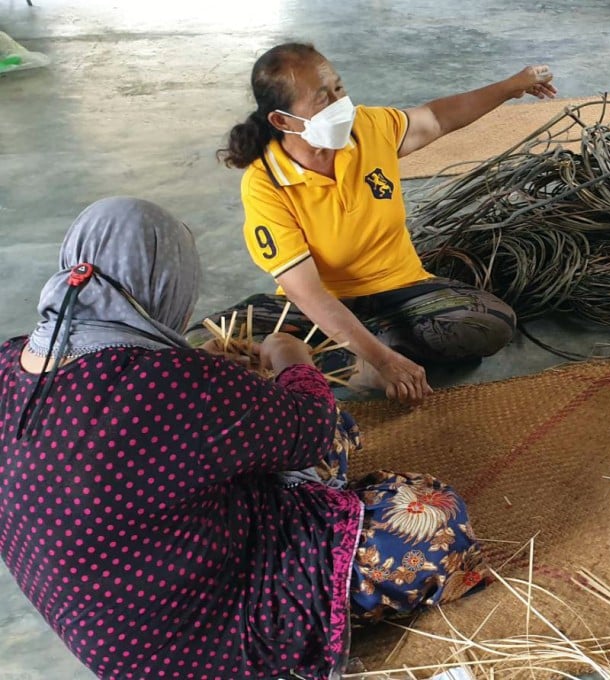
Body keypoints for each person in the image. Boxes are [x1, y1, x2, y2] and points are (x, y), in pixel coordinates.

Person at [0, 197, 489, 679]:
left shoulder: (10, 361)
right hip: (207, 643)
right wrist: (290, 356)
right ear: (164, 283)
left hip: (108, 635)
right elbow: (312, 428)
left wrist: (207, 371)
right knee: (428, 515)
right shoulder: (163, 382)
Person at [204, 43, 557, 406]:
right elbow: (305, 292)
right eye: (322, 99)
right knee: (207, 345)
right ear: (282, 121)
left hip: (401, 291)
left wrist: (511, 86)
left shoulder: (368, 128)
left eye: (338, 89)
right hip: (319, 305)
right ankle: (366, 362)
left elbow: (436, 118)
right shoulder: (266, 183)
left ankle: (317, 359)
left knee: (493, 322)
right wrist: (383, 360)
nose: (341, 103)